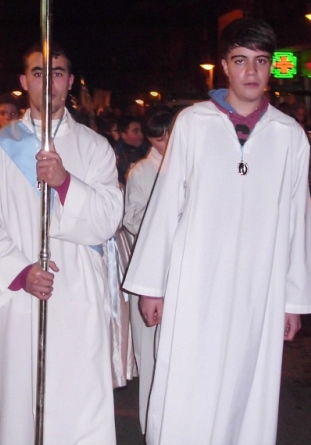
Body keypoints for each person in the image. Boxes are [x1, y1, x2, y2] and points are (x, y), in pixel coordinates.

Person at [123, 18, 311, 445]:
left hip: (259, 288)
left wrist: (294, 299)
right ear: (224, 66)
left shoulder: (288, 135)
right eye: (240, 61)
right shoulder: (194, 124)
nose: (251, 72)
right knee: (188, 381)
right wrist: (151, 286)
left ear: (271, 67)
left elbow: (297, 219)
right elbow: (165, 207)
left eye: (260, 61)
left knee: (246, 388)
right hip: (194, 281)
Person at [0, 44, 123, 444]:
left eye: (57, 72)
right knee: (22, 403)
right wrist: (20, 272)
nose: (47, 81)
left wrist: (66, 183)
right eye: (38, 72)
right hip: (20, 298)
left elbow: (107, 221)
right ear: (23, 82)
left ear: (69, 82)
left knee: (80, 403)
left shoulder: (95, 147)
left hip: (80, 294)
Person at [122, 106, 174, 434]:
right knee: (151, 357)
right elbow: (130, 218)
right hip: (150, 274)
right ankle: (151, 431)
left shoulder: (197, 166)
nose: (165, 143)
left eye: (170, 134)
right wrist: (169, 220)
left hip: (183, 275)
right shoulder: (142, 172)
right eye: (158, 137)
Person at [115, 114, 148, 184]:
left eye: (141, 130)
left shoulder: (148, 150)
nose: (141, 134)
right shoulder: (117, 155)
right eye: (136, 131)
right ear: (124, 135)